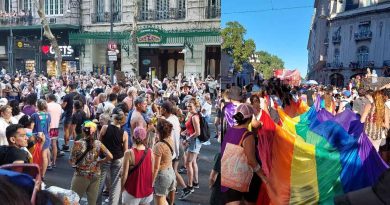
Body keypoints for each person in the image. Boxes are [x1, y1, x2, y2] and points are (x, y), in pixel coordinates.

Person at [221, 103, 268, 204]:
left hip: (227, 176)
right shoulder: (247, 135)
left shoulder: (230, 130)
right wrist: (263, 177)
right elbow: (251, 161)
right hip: (240, 178)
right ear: (250, 118)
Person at [69, 121, 113, 205]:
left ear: (83, 131)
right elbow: (110, 156)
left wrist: (76, 164)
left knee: (73, 200)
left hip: (81, 175)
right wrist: (100, 161)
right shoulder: (98, 143)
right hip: (96, 174)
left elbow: (71, 160)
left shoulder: (77, 144)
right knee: (92, 202)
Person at [97, 107, 129, 205]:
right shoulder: (124, 133)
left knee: (99, 183)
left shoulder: (105, 128)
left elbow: (99, 144)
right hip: (118, 158)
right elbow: (126, 150)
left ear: (112, 117)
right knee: (115, 185)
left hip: (104, 158)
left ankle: (96, 202)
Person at [121, 127, 153, 205]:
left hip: (132, 190)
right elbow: (151, 171)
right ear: (145, 137)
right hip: (147, 191)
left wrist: (122, 188)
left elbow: (124, 175)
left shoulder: (129, 152)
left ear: (133, 137)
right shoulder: (150, 151)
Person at [179, 98, 202, 200]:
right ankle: (195, 183)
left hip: (195, 142)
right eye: (187, 106)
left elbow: (198, 132)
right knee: (192, 163)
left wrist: (187, 139)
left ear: (195, 106)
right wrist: (185, 133)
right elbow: (191, 129)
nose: (188, 108)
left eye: (190, 106)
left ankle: (190, 186)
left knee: (188, 163)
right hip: (194, 141)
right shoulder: (193, 115)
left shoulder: (194, 117)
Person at [153, 119, 176, 205]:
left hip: (161, 175)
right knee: (166, 200)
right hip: (170, 171)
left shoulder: (159, 146)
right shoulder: (170, 139)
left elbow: (156, 167)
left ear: (158, 131)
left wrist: (151, 181)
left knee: (160, 201)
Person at [31, 100, 51, 177]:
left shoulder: (34, 115)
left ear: (37, 106)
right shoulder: (48, 115)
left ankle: (35, 173)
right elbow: (48, 128)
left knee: (35, 155)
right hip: (46, 137)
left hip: (36, 137)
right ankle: (42, 175)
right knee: (44, 156)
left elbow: (32, 127)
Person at [46, 94, 62, 168]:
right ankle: (54, 162)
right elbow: (60, 116)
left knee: (47, 145)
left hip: (48, 127)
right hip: (56, 126)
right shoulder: (59, 106)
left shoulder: (47, 105)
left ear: (49, 98)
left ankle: (49, 162)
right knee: (54, 144)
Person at [61, 82, 79, 152]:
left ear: (70, 88)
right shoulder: (80, 95)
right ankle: (77, 147)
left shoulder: (67, 96)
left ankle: (66, 145)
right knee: (74, 130)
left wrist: (60, 105)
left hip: (69, 114)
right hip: (77, 115)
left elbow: (63, 106)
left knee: (66, 130)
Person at [379, 89, 390, 164]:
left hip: (386, 131)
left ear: (386, 96)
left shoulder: (385, 104)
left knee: (385, 150)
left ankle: (384, 167)